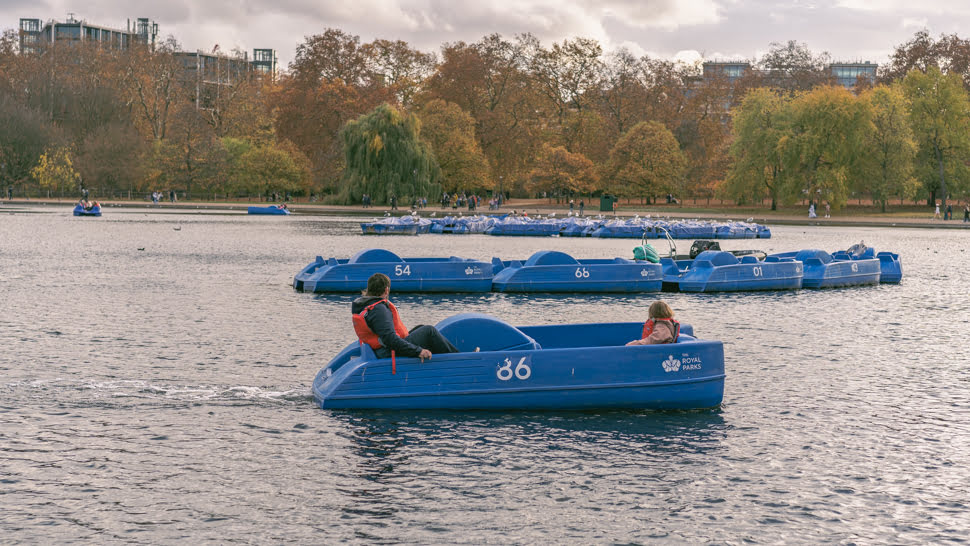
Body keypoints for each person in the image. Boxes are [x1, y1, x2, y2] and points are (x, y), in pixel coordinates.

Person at [352, 273, 459, 361]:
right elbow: (391, 340)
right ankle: (458, 359)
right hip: (385, 352)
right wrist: (418, 351)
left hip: (378, 350)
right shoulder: (379, 310)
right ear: (386, 290)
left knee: (420, 328)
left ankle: (443, 359)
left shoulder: (364, 305)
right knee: (429, 331)